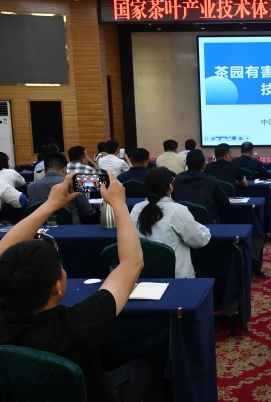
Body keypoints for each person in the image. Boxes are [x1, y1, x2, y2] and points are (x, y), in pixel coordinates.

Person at [0, 171, 163, 402]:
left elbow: (3, 253)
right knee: (150, 365)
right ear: (57, 288)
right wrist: (118, 203)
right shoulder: (76, 326)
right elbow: (132, 263)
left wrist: (49, 205)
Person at [130, 167, 210, 278]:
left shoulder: (136, 209)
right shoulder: (178, 210)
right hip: (176, 278)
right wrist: (202, 228)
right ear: (170, 187)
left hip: (143, 276)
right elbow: (199, 240)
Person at [28, 153, 95, 225]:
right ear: (64, 170)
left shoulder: (31, 186)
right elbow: (87, 210)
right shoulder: (71, 184)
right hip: (71, 228)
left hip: (40, 227)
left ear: (44, 171)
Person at [172, 150, 229, 223]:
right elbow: (224, 202)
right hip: (206, 224)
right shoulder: (211, 180)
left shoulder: (177, 179)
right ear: (204, 165)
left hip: (181, 222)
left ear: (186, 164)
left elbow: (173, 199)